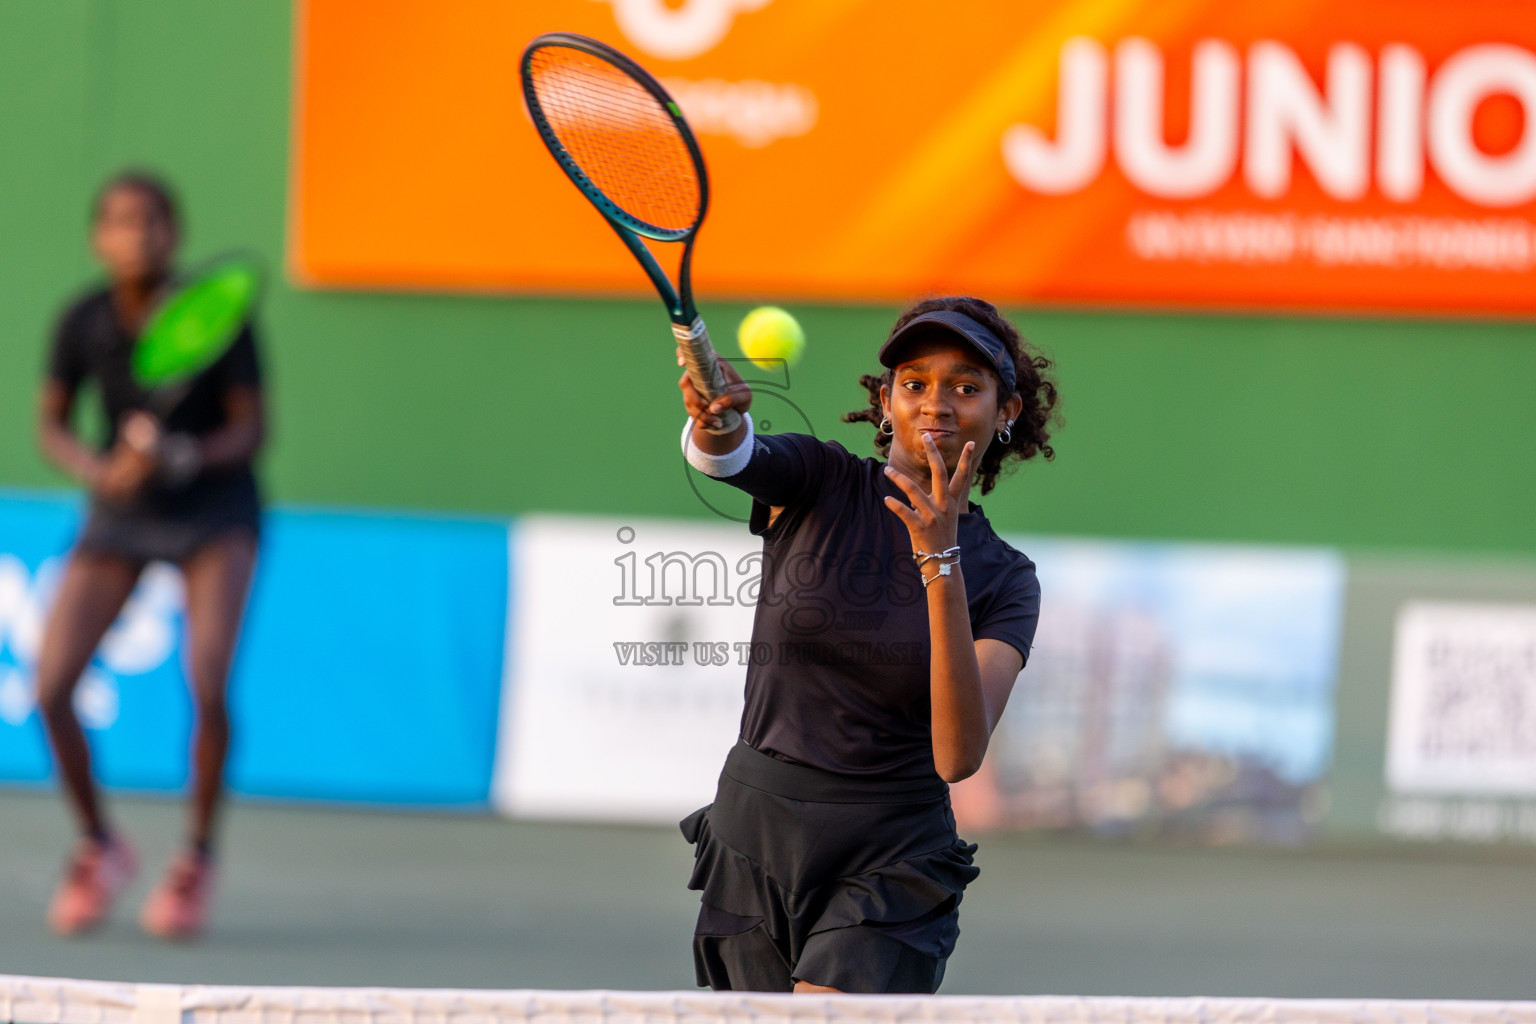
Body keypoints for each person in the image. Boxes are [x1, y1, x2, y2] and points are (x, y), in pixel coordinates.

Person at [677, 295, 1058, 993]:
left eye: (966, 387)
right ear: (885, 403)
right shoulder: (821, 481)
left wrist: (940, 563)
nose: (936, 403)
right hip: (755, 826)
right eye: (914, 384)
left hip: (890, 851)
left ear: (1004, 414)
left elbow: (957, 755)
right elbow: (732, 458)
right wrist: (718, 421)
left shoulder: (1006, 579)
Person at [34, 171, 266, 939]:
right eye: (122, 222)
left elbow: (250, 431)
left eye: (153, 220)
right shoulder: (81, 319)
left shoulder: (216, 315)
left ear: (176, 232)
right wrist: (100, 470)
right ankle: (99, 848)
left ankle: (195, 859)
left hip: (214, 515)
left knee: (206, 678)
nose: (138, 234)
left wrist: (185, 457)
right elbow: (54, 426)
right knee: (53, 685)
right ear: (99, 237)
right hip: (120, 513)